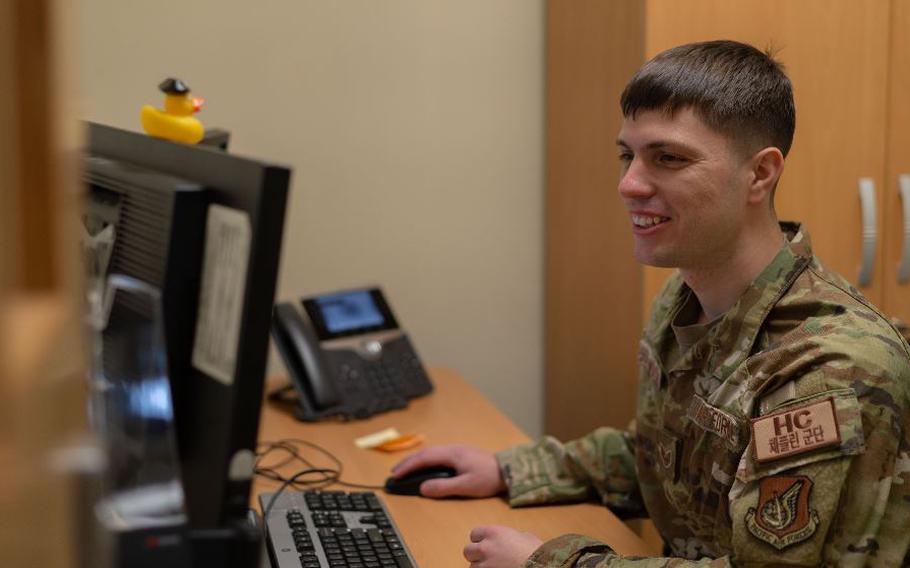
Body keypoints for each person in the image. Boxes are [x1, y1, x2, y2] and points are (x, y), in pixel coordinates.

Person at [391, 40, 910, 567]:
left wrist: (551, 563)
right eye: (627, 156)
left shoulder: (826, 368)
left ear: (759, 174)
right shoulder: (683, 298)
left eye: (668, 158)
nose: (629, 184)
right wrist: (511, 470)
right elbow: (667, 457)